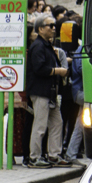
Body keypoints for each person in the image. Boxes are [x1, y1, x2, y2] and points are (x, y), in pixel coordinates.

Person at [25, 15, 71, 168]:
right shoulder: (38, 46)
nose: (53, 28)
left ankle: (54, 155)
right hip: (40, 91)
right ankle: (34, 157)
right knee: (40, 126)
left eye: (54, 25)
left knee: (57, 123)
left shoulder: (47, 45)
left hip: (50, 92)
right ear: (40, 29)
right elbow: (39, 69)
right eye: (50, 26)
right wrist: (59, 71)